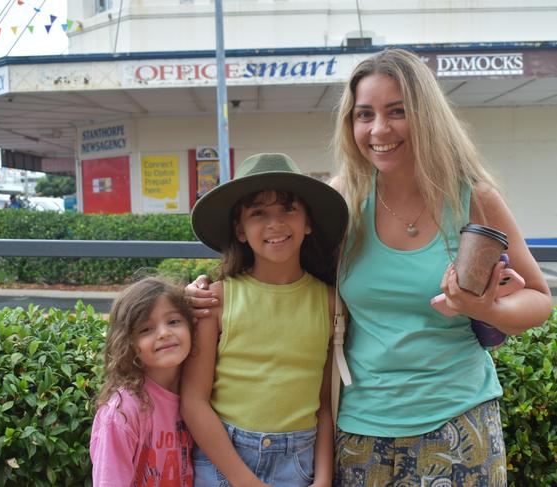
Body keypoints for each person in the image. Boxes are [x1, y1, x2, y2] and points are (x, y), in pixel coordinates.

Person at [188, 49, 552, 486]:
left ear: (427, 116)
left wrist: (485, 309)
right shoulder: (342, 200)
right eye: (365, 114)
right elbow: (277, 267)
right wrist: (205, 291)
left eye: (397, 111)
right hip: (362, 430)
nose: (379, 129)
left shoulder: (472, 196)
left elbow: (538, 299)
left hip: (459, 421)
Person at [181, 153, 349, 487]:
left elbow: (324, 406)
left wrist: (323, 479)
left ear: (308, 223)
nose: (275, 223)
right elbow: (194, 401)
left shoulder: (330, 303)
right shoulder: (216, 299)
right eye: (258, 213)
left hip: (300, 463)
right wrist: (243, 479)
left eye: (288, 209)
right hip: (223, 464)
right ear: (240, 230)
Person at [90, 277, 195, 486]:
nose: (164, 333)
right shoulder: (123, 411)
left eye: (173, 321)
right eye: (146, 329)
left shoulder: (198, 393)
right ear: (127, 344)